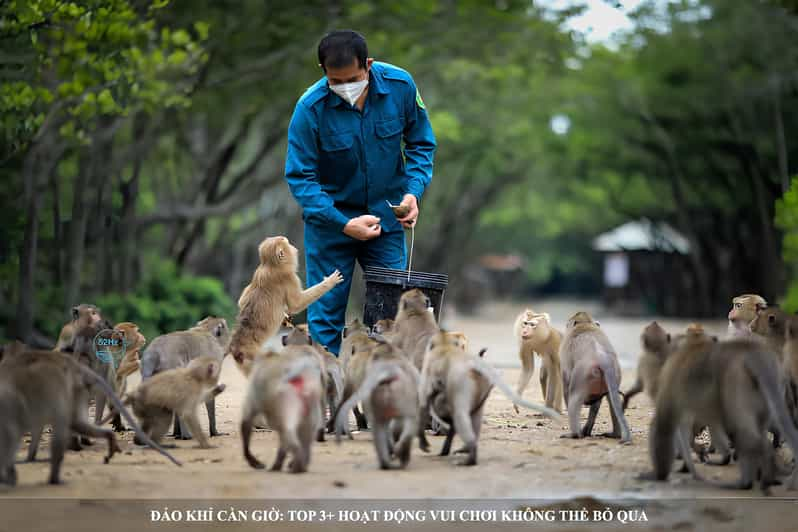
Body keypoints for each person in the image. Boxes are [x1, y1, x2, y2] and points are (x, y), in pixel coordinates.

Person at [284, 29, 436, 355]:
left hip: (387, 220)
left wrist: (412, 193)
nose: (344, 89)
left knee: (391, 314)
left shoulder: (400, 86)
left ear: (368, 65)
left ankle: (385, 396)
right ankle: (328, 399)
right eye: (335, 82)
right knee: (324, 316)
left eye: (352, 79)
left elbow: (421, 144)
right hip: (331, 225)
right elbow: (301, 178)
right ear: (323, 72)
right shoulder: (309, 108)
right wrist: (342, 222)